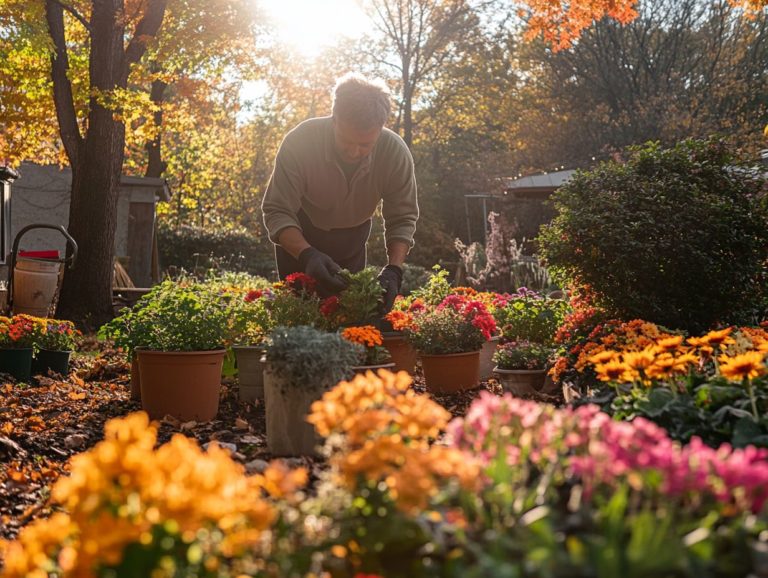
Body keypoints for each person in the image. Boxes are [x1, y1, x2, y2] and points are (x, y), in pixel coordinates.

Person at [261, 73, 419, 311]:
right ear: (334, 119)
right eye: (346, 141)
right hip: (299, 238)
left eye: (365, 145)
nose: (354, 152)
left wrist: (394, 269)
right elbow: (278, 210)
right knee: (299, 316)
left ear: (380, 129)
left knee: (349, 316)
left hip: (353, 239)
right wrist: (307, 255)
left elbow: (402, 217)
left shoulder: (395, 153)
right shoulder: (300, 142)